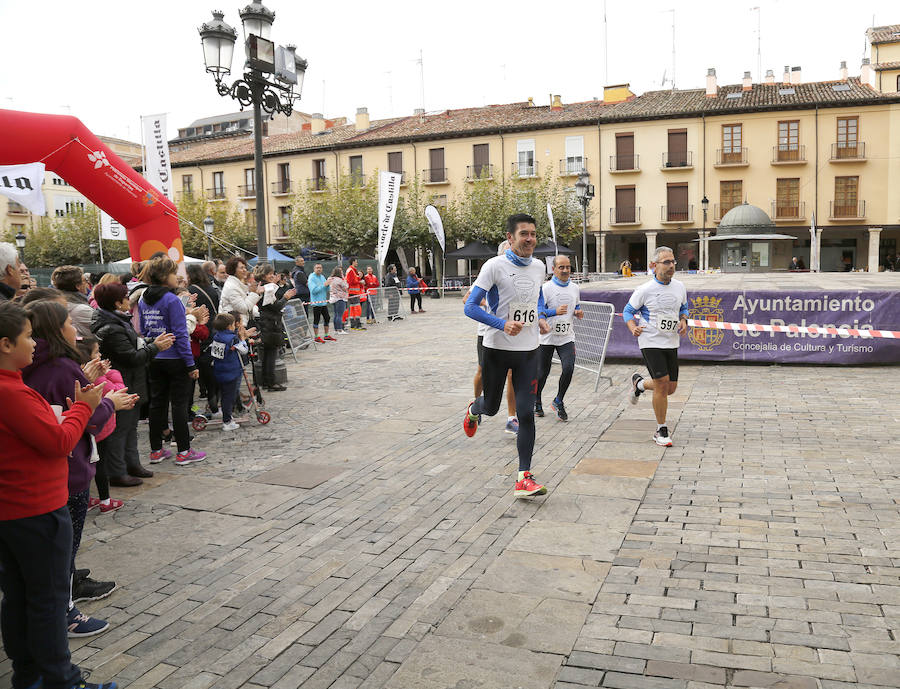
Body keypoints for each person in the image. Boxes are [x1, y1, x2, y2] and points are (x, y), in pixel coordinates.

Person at [0, 302, 119, 689]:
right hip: (34, 508)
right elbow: (58, 442)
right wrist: (83, 409)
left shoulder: (15, 385)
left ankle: (30, 675)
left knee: (20, 597)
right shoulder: (10, 392)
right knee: (47, 599)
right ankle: (62, 679)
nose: (34, 343)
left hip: (16, 508)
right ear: (5, 344)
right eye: (26, 337)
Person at [23, 300, 138, 638]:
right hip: (69, 469)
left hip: (52, 469)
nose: (76, 329)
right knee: (62, 551)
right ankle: (66, 611)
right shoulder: (60, 366)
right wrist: (109, 403)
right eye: (70, 324)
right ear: (58, 330)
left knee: (56, 550)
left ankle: (61, 604)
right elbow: (82, 419)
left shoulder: (33, 366)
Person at [462, 213, 550, 498]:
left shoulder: (538, 267)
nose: (530, 239)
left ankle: (524, 477)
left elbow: (536, 298)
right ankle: (474, 410)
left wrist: (540, 316)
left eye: (533, 234)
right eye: (524, 234)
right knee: (491, 407)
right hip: (497, 350)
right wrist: (502, 324)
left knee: (526, 413)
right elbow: (470, 307)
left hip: (529, 351)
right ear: (510, 238)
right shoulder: (494, 266)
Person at [91, 282, 173, 486]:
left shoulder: (118, 321)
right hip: (122, 384)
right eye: (126, 297)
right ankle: (117, 472)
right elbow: (131, 357)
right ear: (117, 302)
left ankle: (132, 464)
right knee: (120, 430)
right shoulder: (112, 328)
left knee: (130, 428)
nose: (129, 300)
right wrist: (156, 347)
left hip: (130, 382)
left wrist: (151, 344)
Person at [138, 256, 207, 466]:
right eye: (173, 273)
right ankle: (184, 451)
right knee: (179, 404)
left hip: (154, 356)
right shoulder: (172, 300)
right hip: (175, 358)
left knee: (157, 404)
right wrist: (190, 365)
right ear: (163, 276)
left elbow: (143, 330)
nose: (176, 277)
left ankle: (156, 450)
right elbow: (181, 335)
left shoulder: (142, 299)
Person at [625, 246, 688, 447]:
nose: (671, 266)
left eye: (673, 262)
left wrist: (684, 320)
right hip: (650, 340)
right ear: (654, 266)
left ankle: (640, 384)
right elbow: (627, 311)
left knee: (670, 388)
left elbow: (683, 307)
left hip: (671, 341)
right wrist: (633, 326)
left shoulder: (679, 286)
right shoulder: (644, 290)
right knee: (661, 383)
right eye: (666, 262)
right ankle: (661, 429)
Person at [75, 335, 125, 514]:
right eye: (97, 352)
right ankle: (105, 500)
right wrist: (111, 373)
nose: (100, 355)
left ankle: (86, 498)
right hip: (100, 429)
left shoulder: (76, 377)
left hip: (86, 430)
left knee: (86, 463)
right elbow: (119, 389)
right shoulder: (97, 380)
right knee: (99, 465)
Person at [464, 284, 518, 434]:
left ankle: (511, 418)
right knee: (481, 371)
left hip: (511, 332)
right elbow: (466, 299)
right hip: (487, 333)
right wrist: (485, 303)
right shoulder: (489, 273)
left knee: (511, 374)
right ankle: (476, 404)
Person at [536, 255, 583, 422]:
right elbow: (539, 310)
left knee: (569, 368)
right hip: (547, 337)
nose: (565, 271)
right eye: (561, 267)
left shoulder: (575, 287)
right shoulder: (546, 288)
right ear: (553, 269)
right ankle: (537, 400)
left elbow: (576, 305)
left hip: (566, 336)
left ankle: (558, 400)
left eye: (568, 267)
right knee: (542, 373)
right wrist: (553, 312)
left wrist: (577, 312)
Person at [254, 264, 296, 392]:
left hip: (267, 322)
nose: (273, 276)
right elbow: (274, 306)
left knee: (268, 354)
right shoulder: (268, 287)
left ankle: (267, 381)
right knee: (271, 353)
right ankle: (270, 382)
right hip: (270, 323)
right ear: (264, 275)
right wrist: (286, 298)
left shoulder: (263, 285)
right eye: (270, 274)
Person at [210, 313, 249, 431]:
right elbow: (244, 350)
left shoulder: (217, 336)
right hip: (231, 371)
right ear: (229, 326)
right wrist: (242, 339)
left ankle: (226, 415)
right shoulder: (232, 338)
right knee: (229, 397)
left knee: (224, 394)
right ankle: (227, 421)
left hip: (219, 370)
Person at [50, 265, 95, 338]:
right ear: (78, 286)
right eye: (84, 280)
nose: (87, 283)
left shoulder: (59, 303)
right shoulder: (82, 309)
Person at [219, 256, 261, 327]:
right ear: (233, 270)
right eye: (241, 268)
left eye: (245, 268)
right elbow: (243, 308)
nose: (244, 270)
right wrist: (254, 293)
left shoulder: (237, 284)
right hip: (233, 325)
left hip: (238, 323)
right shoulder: (232, 287)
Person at [308, 263, 335, 342]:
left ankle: (326, 335)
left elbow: (326, 289)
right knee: (317, 319)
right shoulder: (311, 278)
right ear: (314, 269)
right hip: (316, 302)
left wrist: (328, 285)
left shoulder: (322, 276)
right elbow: (313, 291)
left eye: (320, 268)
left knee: (327, 318)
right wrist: (324, 285)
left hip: (323, 302)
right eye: (317, 268)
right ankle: (316, 337)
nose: (319, 269)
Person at [345, 257, 366, 331]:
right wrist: (360, 282)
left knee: (353, 308)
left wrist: (359, 281)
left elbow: (352, 281)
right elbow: (351, 282)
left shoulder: (352, 270)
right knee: (357, 308)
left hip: (353, 292)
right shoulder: (351, 270)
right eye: (356, 262)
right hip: (353, 292)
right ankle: (357, 324)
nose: (357, 263)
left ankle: (354, 324)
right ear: (353, 262)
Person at [328, 266, 349, 334]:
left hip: (333, 298)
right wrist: (344, 279)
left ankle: (336, 329)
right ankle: (340, 329)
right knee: (340, 315)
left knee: (336, 314)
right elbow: (346, 287)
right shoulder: (340, 280)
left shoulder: (330, 279)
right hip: (340, 298)